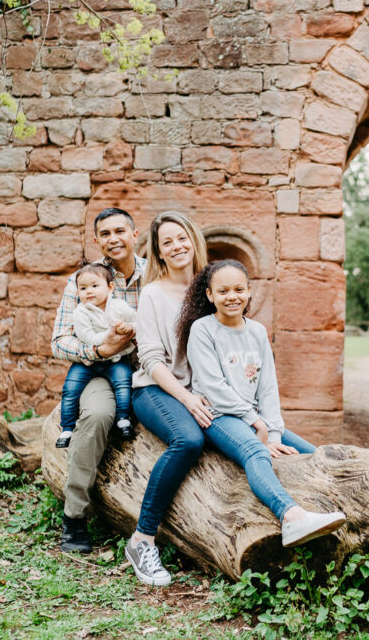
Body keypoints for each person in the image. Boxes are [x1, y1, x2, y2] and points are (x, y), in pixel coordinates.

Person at [175, 259, 347, 549]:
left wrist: (274, 432)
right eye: (224, 291)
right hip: (218, 417)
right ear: (210, 295)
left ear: (249, 291)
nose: (232, 297)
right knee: (256, 451)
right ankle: (291, 516)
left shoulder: (256, 331)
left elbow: (267, 387)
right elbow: (214, 388)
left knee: (312, 453)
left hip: (256, 418)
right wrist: (256, 424)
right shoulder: (203, 330)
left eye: (239, 289)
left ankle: (342, 510)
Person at [123, 211, 212, 587]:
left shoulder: (209, 288)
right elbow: (152, 360)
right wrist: (189, 400)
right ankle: (142, 540)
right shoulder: (153, 294)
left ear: (193, 239)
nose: (177, 247)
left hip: (204, 392)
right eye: (167, 243)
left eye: (181, 238)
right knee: (189, 439)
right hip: (154, 389)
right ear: (158, 254)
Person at [51, 208, 146, 553]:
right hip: (99, 369)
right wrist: (100, 349)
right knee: (96, 417)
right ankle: (74, 518)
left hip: (151, 369)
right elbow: (59, 341)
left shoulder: (154, 273)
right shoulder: (84, 279)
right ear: (97, 240)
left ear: (136, 235)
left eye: (120, 231)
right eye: (105, 234)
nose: (113, 239)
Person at [56, 263, 137, 449]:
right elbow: (88, 338)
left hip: (116, 359)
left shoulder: (119, 306)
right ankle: (67, 427)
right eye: (83, 288)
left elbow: (137, 321)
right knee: (70, 388)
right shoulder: (80, 312)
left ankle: (123, 419)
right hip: (88, 361)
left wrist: (130, 329)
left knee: (124, 383)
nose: (89, 292)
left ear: (110, 288)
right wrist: (109, 336)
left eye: (94, 286)